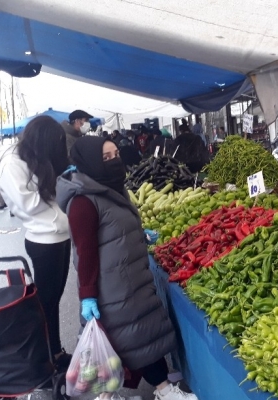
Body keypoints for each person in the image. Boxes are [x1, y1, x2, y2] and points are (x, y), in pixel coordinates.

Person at [56, 137, 197, 400]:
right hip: (112, 287)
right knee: (123, 340)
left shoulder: (111, 187)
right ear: (91, 162)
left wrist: (138, 234)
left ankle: (151, 390)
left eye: (116, 154)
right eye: (106, 157)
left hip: (131, 279)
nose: (114, 161)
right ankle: (152, 391)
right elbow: (85, 252)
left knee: (137, 338)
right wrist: (87, 295)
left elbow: (113, 228)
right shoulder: (82, 202)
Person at [0, 115, 72, 371]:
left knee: (53, 300)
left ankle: (55, 352)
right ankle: (44, 360)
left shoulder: (34, 157)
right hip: (44, 241)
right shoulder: (11, 163)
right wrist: (56, 190)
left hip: (61, 236)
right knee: (45, 303)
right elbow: (27, 204)